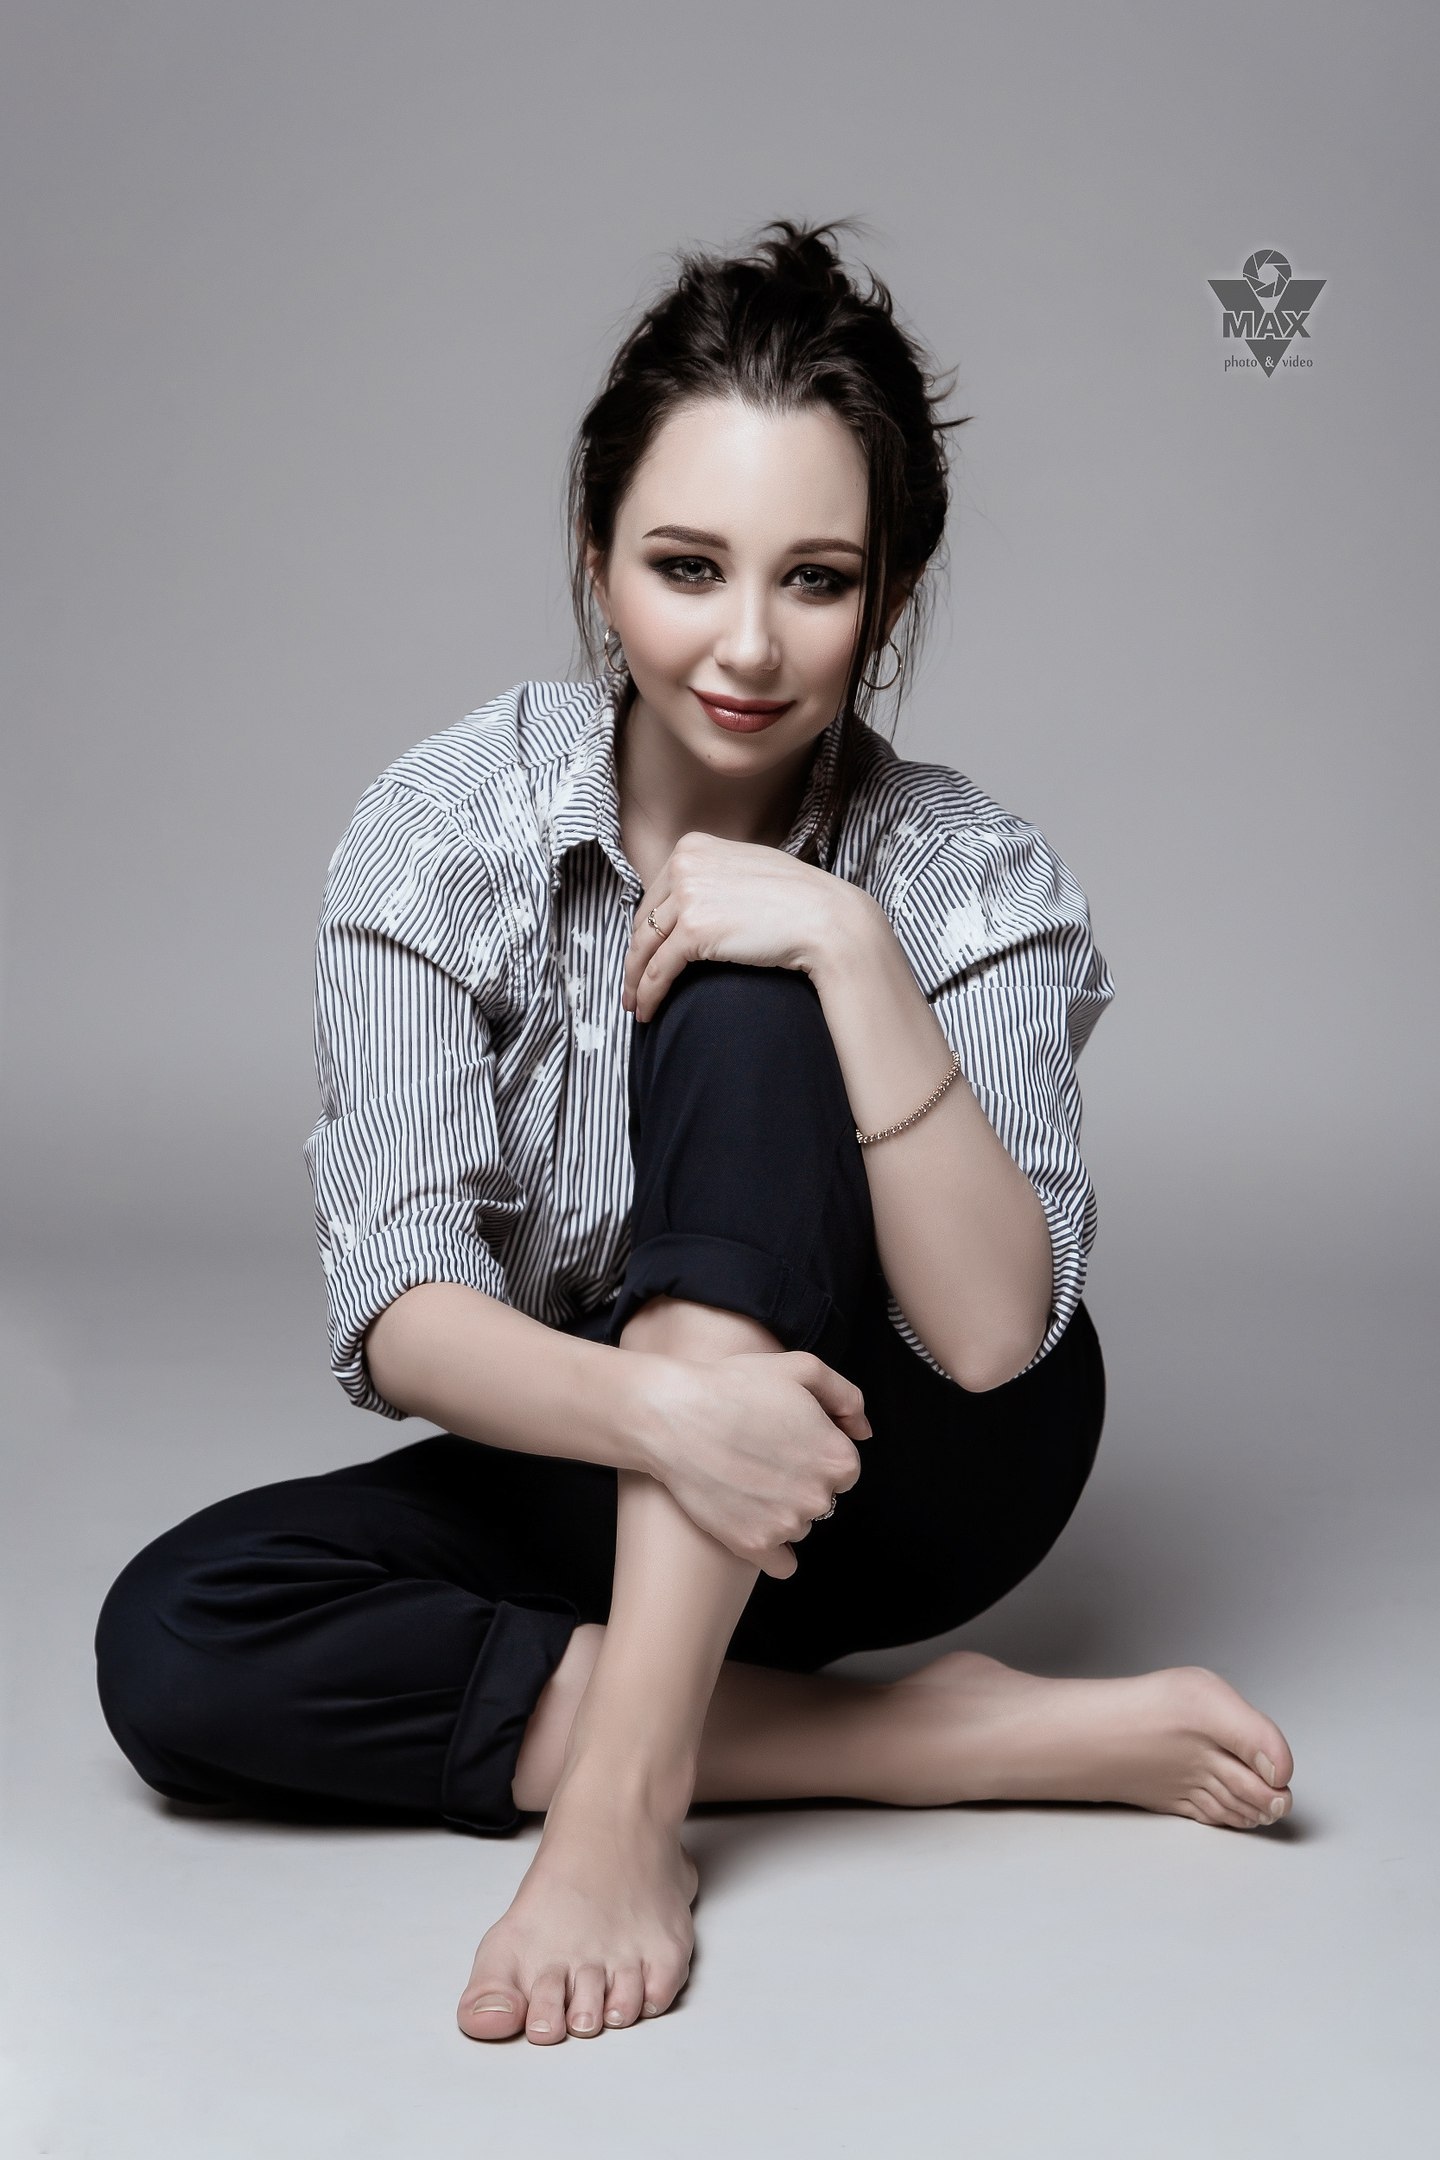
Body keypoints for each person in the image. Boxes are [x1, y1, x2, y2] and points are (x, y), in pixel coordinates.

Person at [94, 220, 1295, 2048]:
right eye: (685, 567)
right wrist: (669, 1417)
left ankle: (627, 1804)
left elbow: (991, 1336)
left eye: (817, 581)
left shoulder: (968, 869)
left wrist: (846, 946)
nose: (746, 644)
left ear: (890, 597)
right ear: (594, 560)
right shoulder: (446, 829)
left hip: (906, 1464)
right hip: (624, 1446)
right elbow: (403, 1310)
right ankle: (922, 1741)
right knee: (181, 1639)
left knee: (742, 993)